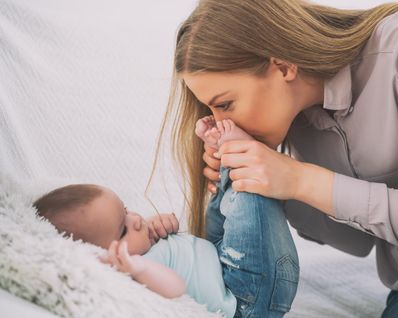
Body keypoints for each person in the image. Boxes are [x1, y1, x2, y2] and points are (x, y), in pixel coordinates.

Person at [154, 0, 398, 317]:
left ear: (282, 66)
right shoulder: (298, 122)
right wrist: (263, 186)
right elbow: (356, 241)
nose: (220, 122)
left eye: (226, 103)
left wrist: (296, 179)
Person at [34, 116, 299, 318]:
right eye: (123, 230)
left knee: (218, 210)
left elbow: (180, 250)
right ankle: (243, 154)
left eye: (126, 211)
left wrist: (164, 228)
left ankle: (226, 160)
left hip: (221, 259)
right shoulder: (132, 275)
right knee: (248, 199)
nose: (136, 220)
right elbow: (174, 287)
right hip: (246, 299)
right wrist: (139, 269)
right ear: (103, 257)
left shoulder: (141, 244)